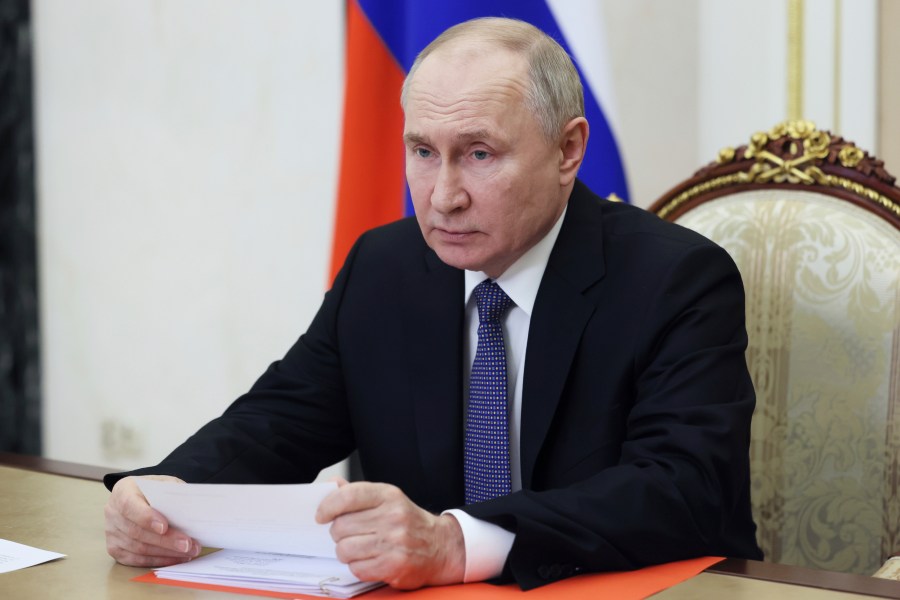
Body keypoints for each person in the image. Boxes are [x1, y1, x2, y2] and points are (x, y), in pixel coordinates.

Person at [103, 17, 762, 591]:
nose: (442, 196)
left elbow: (684, 493)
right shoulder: (386, 268)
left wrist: (457, 542)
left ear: (569, 150)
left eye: (478, 154)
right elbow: (280, 421)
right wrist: (165, 493)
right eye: (422, 151)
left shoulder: (676, 279)